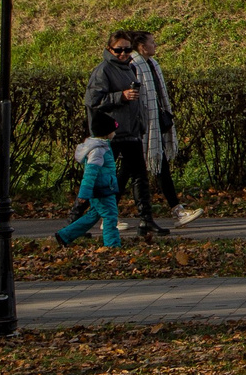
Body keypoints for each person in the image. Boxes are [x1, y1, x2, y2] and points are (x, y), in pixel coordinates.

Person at [83, 30, 162, 239]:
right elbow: (92, 100)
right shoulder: (103, 70)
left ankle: (146, 220)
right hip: (112, 132)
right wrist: (121, 96)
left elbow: (137, 101)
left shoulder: (130, 68)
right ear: (110, 49)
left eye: (127, 49)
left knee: (140, 177)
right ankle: (76, 221)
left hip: (130, 131)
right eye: (119, 50)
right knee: (99, 178)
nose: (123, 53)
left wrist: (140, 123)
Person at [133, 32, 202, 227]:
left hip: (153, 128)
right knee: (128, 175)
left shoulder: (152, 65)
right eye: (152, 43)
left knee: (159, 167)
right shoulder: (134, 65)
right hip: (140, 128)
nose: (156, 45)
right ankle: (105, 215)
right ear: (141, 46)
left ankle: (176, 210)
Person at [54, 107, 123, 247]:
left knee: (92, 216)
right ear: (105, 133)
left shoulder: (103, 148)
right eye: (112, 131)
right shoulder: (98, 151)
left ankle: (65, 235)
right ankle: (112, 245)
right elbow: (90, 173)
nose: (114, 133)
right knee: (110, 216)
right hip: (103, 190)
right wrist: (84, 193)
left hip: (103, 188)